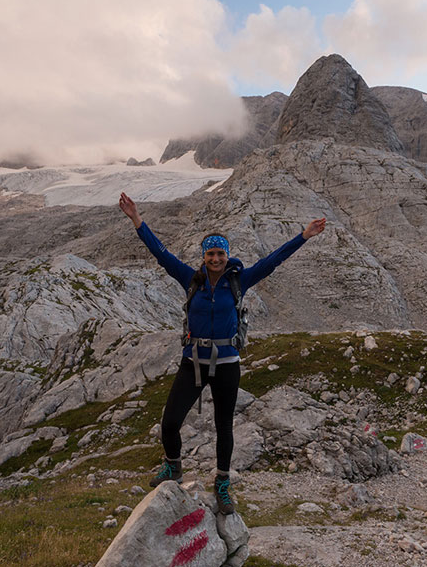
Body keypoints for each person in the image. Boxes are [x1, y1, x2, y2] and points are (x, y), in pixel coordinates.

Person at [118, 192, 326, 514]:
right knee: (170, 421)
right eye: (210, 254)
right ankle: (173, 465)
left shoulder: (239, 280)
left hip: (227, 363)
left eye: (220, 253)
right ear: (203, 256)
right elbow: (161, 254)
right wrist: (136, 220)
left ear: (227, 255)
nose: (216, 259)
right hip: (193, 362)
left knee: (224, 426)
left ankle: (223, 482)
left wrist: (303, 236)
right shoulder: (190, 279)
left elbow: (273, 260)